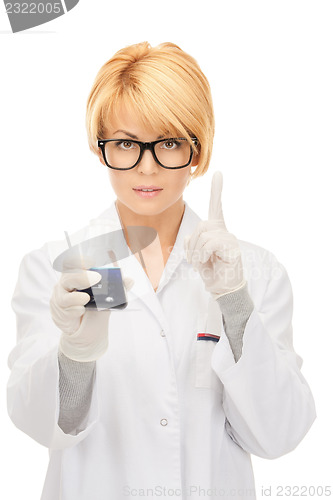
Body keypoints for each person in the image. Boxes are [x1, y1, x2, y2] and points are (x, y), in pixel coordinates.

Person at [7, 41, 316, 500]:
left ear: (198, 149)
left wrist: (234, 302)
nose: (147, 167)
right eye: (127, 143)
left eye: (168, 143)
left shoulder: (254, 271)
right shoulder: (58, 267)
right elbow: (42, 425)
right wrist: (75, 354)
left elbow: (279, 433)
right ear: (100, 148)